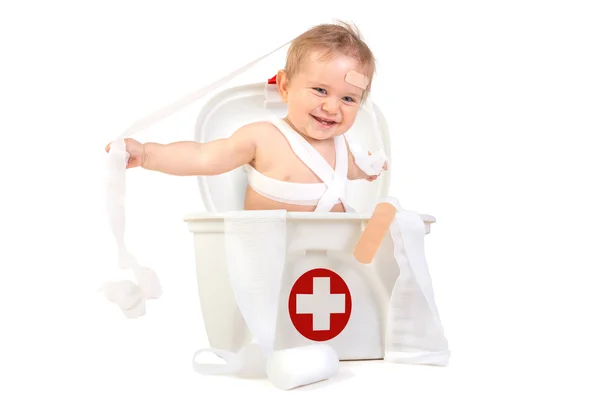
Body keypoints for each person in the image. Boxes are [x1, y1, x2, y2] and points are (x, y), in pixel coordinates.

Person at [105, 21, 387, 213]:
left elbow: (353, 169)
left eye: (348, 98)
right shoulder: (262, 137)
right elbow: (203, 157)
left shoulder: (342, 147)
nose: (331, 107)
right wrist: (146, 153)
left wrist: (369, 168)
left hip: (329, 263)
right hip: (266, 255)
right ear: (285, 86)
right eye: (320, 90)